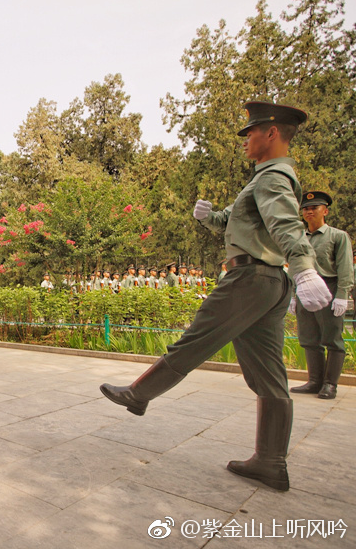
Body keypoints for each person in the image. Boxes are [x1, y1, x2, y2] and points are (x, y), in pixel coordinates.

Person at [100, 101, 331, 492]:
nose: (245, 139)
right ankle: (270, 462)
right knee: (269, 373)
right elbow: (242, 222)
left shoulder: (273, 177)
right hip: (268, 282)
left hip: (249, 279)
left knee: (195, 340)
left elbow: (285, 225)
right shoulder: (265, 178)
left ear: (272, 132)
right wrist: (211, 218)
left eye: (251, 132)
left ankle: (139, 394)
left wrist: (305, 265)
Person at [289, 191, 353, 399]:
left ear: (325, 211)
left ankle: (330, 384)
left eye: (314, 208)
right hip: (304, 288)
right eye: (306, 209)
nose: (309, 212)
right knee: (309, 337)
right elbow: (294, 265)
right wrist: (292, 295)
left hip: (329, 287)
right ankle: (315, 381)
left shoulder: (337, 236)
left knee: (332, 338)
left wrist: (342, 294)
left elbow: (345, 267)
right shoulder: (298, 238)